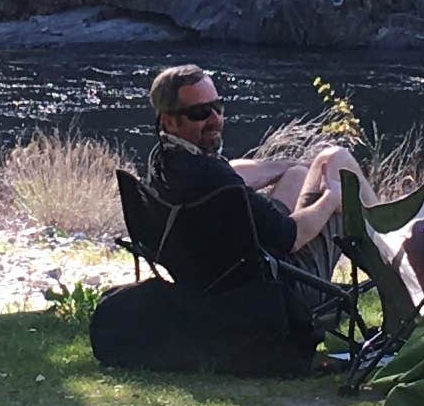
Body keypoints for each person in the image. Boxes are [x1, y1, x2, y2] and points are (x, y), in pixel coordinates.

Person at [145, 65, 346, 284]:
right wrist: (331, 198)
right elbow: (292, 237)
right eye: (200, 113)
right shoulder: (215, 178)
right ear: (170, 122)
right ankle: (388, 263)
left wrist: (293, 165)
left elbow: (230, 173)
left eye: (217, 106)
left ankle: (389, 254)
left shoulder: (165, 162)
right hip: (278, 288)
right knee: (336, 159)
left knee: (298, 173)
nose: (215, 119)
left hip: (217, 273)